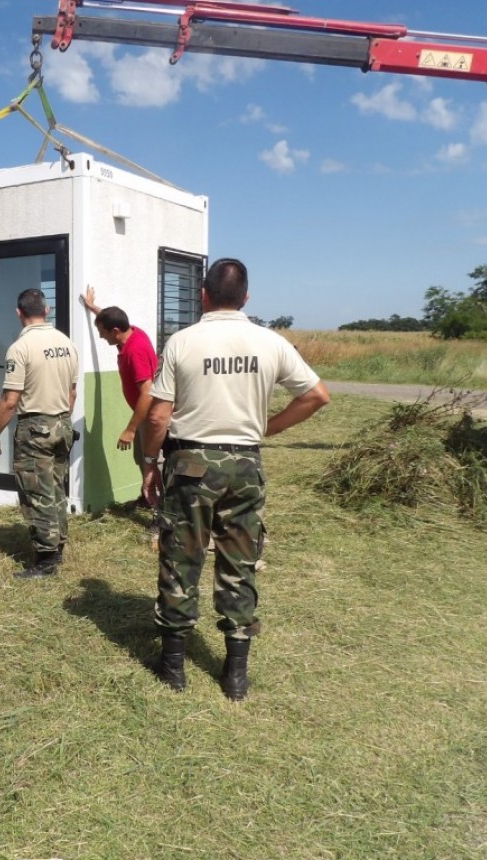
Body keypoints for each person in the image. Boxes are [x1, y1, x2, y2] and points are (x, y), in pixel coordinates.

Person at [140, 258, 330, 701]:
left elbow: (159, 413)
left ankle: (173, 667)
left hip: (190, 464)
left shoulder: (182, 342)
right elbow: (317, 396)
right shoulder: (270, 342)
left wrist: (150, 461)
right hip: (245, 465)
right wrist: (269, 427)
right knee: (240, 563)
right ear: (246, 297)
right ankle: (235, 675)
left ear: (203, 295)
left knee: (180, 559)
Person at [0, 288, 79, 579]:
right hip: (62, 424)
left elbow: (10, 400)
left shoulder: (20, 348)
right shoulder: (67, 343)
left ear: (19, 313)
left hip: (35, 428)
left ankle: (46, 560)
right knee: (55, 488)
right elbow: (72, 392)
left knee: (36, 492)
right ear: (47, 310)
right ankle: (58, 545)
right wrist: (62, 418)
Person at [81, 286, 159, 513]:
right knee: (142, 459)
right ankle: (148, 500)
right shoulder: (133, 331)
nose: (100, 336)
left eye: (103, 332)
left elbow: (147, 392)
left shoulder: (135, 351)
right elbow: (111, 317)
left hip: (151, 416)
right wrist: (93, 307)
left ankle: (161, 516)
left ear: (115, 331)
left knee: (154, 463)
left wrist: (131, 429)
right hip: (144, 414)